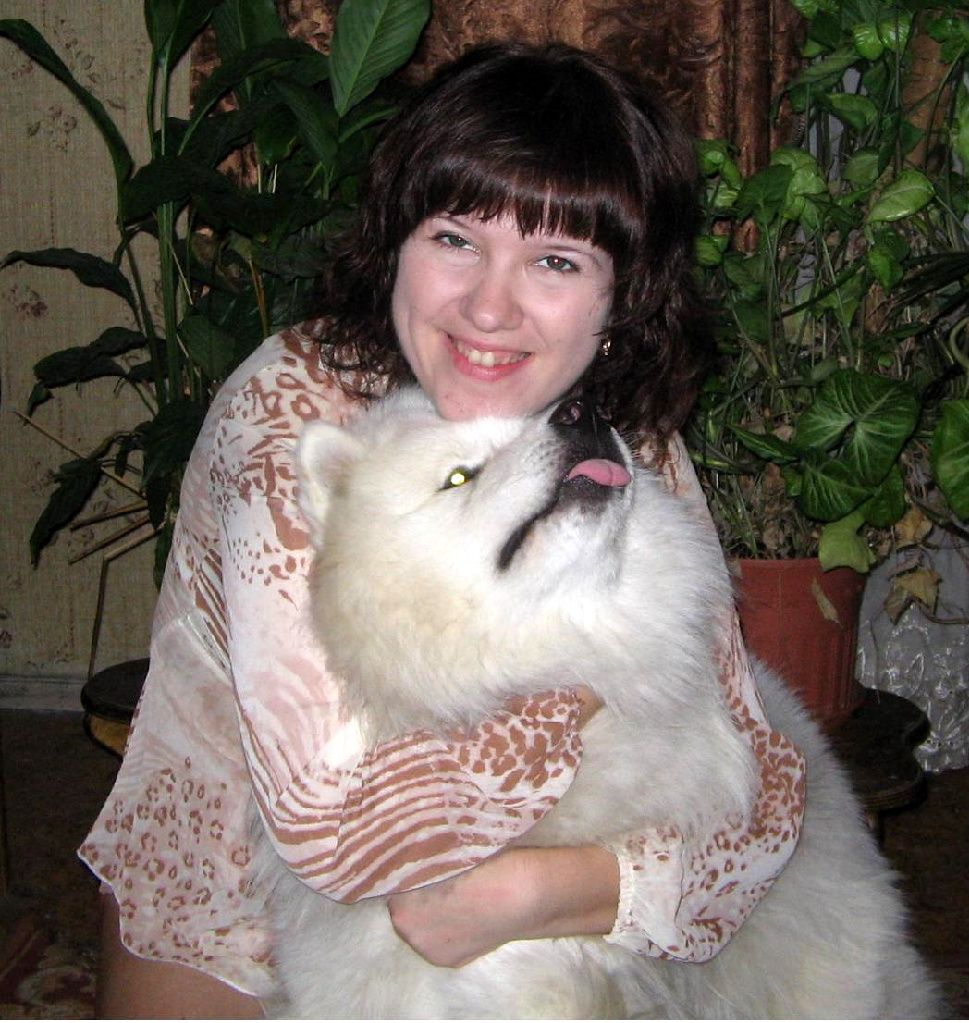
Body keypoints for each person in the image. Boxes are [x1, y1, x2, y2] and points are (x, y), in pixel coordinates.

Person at [81, 42, 806, 1018]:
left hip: (548, 892)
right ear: (396, 241)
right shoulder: (288, 418)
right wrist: (605, 691)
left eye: (555, 260)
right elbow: (339, 834)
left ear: (620, 297)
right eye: (456, 239)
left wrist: (546, 890)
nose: (489, 308)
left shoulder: (611, 434)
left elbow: (764, 801)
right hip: (238, 908)